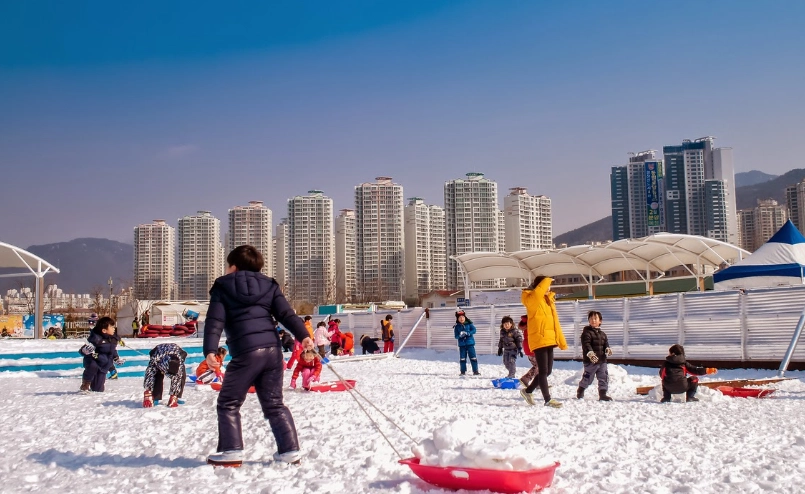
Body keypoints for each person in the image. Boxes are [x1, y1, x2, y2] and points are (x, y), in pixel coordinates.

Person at [203, 245, 314, 467]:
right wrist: (303, 335)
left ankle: (231, 450)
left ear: (233, 267)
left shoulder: (223, 286)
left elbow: (215, 321)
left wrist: (210, 350)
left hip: (246, 351)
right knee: (274, 403)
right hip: (272, 352)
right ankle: (289, 451)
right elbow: (286, 314)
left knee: (228, 402)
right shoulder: (269, 285)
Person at [520, 276, 567, 408]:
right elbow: (537, 294)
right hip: (539, 339)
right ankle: (547, 399)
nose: (549, 289)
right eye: (546, 286)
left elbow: (555, 321)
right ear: (540, 287)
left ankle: (528, 391)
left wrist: (559, 338)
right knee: (543, 370)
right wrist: (545, 280)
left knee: (548, 371)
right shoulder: (531, 299)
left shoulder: (547, 300)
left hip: (549, 339)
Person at [79, 317, 122, 393]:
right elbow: (82, 350)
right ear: (104, 330)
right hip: (94, 361)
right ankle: (85, 384)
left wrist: (116, 358)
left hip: (104, 364)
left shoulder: (113, 339)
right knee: (92, 366)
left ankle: (95, 385)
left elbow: (113, 350)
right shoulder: (96, 338)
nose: (114, 328)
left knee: (98, 389)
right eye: (111, 327)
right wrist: (85, 350)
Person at [577, 310, 613, 401]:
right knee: (588, 377)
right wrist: (590, 353)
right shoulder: (586, 333)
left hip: (602, 360)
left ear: (600, 321)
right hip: (591, 361)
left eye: (595, 318)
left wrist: (607, 349)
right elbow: (586, 344)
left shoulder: (603, 334)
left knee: (603, 377)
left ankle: (603, 394)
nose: (593, 320)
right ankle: (581, 390)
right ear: (589, 320)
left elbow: (606, 344)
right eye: (591, 318)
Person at [143, 343, 187, 407]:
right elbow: (149, 375)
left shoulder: (179, 362)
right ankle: (155, 397)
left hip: (176, 352)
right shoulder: (156, 360)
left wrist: (173, 395)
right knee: (157, 374)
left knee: (182, 374)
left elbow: (177, 378)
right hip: (158, 352)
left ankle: (176, 396)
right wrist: (148, 391)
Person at [454, 310, 479, 376]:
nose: (461, 318)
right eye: (460, 317)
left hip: (470, 344)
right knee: (462, 358)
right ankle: (463, 371)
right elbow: (456, 336)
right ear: (457, 319)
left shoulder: (469, 324)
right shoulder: (457, 327)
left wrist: (468, 333)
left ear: (465, 317)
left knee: (473, 357)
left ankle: (475, 371)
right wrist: (460, 335)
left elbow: (474, 330)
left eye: (463, 317)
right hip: (462, 345)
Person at [518, 315, 538, 387]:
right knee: (539, 366)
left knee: (537, 366)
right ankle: (526, 380)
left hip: (528, 347)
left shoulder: (526, 324)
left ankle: (529, 380)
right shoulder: (531, 324)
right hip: (532, 347)